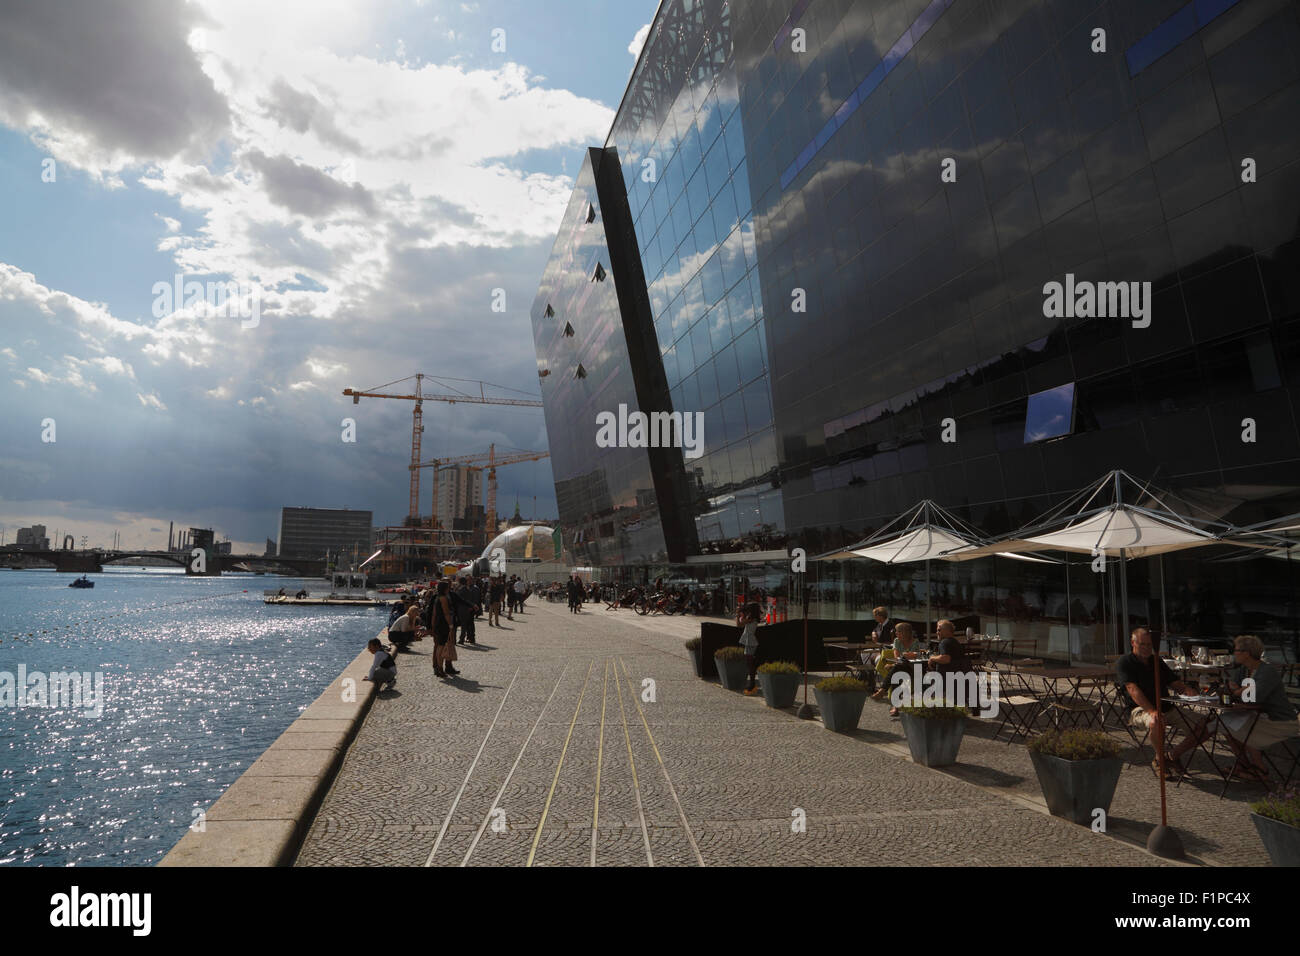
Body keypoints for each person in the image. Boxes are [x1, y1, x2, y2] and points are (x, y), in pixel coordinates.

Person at [1117, 627, 1210, 779]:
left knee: (1207, 726)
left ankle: (1170, 756)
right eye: (1143, 644)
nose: (1147, 648)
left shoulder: (1156, 661)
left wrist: (1188, 691)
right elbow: (1132, 689)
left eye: (1149, 645)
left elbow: (1174, 683)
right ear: (1132, 643)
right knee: (1156, 721)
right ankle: (1161, 761)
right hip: (1140, 710)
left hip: (1167, 707)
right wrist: (1151, 710)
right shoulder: (1125, 662)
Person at [1220, 634, 1299, 782]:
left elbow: (1255, 697)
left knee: (1243, 726)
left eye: (1236, 650)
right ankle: (1246, 765)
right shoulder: (1244, 670)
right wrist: (1238, 691)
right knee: (1225, 725)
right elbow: (1232, 689)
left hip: (1281, 721)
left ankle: (1261, 770)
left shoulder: (1266, 671)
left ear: (1247, 653)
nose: (1234, 653)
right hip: (1258, 715)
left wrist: (1238, 691)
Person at [874, 620, 927, 703]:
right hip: (902, 666)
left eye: (898, 631)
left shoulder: (915, 642)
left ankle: (883, 691)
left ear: (905, 632)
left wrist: (894, 664)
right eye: (896, 631)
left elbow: (913, 658)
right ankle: (890, 699)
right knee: (897, 672)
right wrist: (906, 656)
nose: (895, 633)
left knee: (896, 670)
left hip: (914, 669)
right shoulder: (897, 641)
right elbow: (897, 657)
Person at [431, 580, 459, 678]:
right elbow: (447, 613)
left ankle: (439, 668)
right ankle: (440, 669)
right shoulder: (443, 598)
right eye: (448, 588)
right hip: (444, 625)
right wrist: (450, 625)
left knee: (440, 646)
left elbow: (434, 613)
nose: (449, 589)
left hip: (438, 624)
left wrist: (433, 626)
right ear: (445, 589)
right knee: (441, 647)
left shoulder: (437, 598)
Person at [737, 601, 762, 696]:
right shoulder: (751, 617)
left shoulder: (751, 618)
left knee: (750, 663)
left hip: (750, 641)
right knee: (749, 663)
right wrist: (740, 614)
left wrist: (739, 614)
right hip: (749, 641)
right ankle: (751, 683)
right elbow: (740, 624)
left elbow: (740, 624)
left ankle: (752, 683)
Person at [454, 577, 479, 645]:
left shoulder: (460, 589)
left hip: (460, 609)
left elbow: (458, 599)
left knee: (456, 624)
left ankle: (456, 639)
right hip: (466, 609)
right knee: (464, 625)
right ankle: (462, 639)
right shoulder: (468, 589)